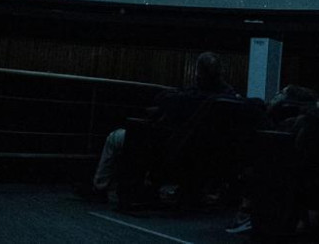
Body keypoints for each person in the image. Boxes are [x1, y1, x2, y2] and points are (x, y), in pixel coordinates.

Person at [76, 51, 237, 200]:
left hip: (167, 147)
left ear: (199, 73)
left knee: (115, 137)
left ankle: (100, 187)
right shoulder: (229, 98)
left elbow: (165, 101)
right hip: (202, 153)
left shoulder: (188, 98)